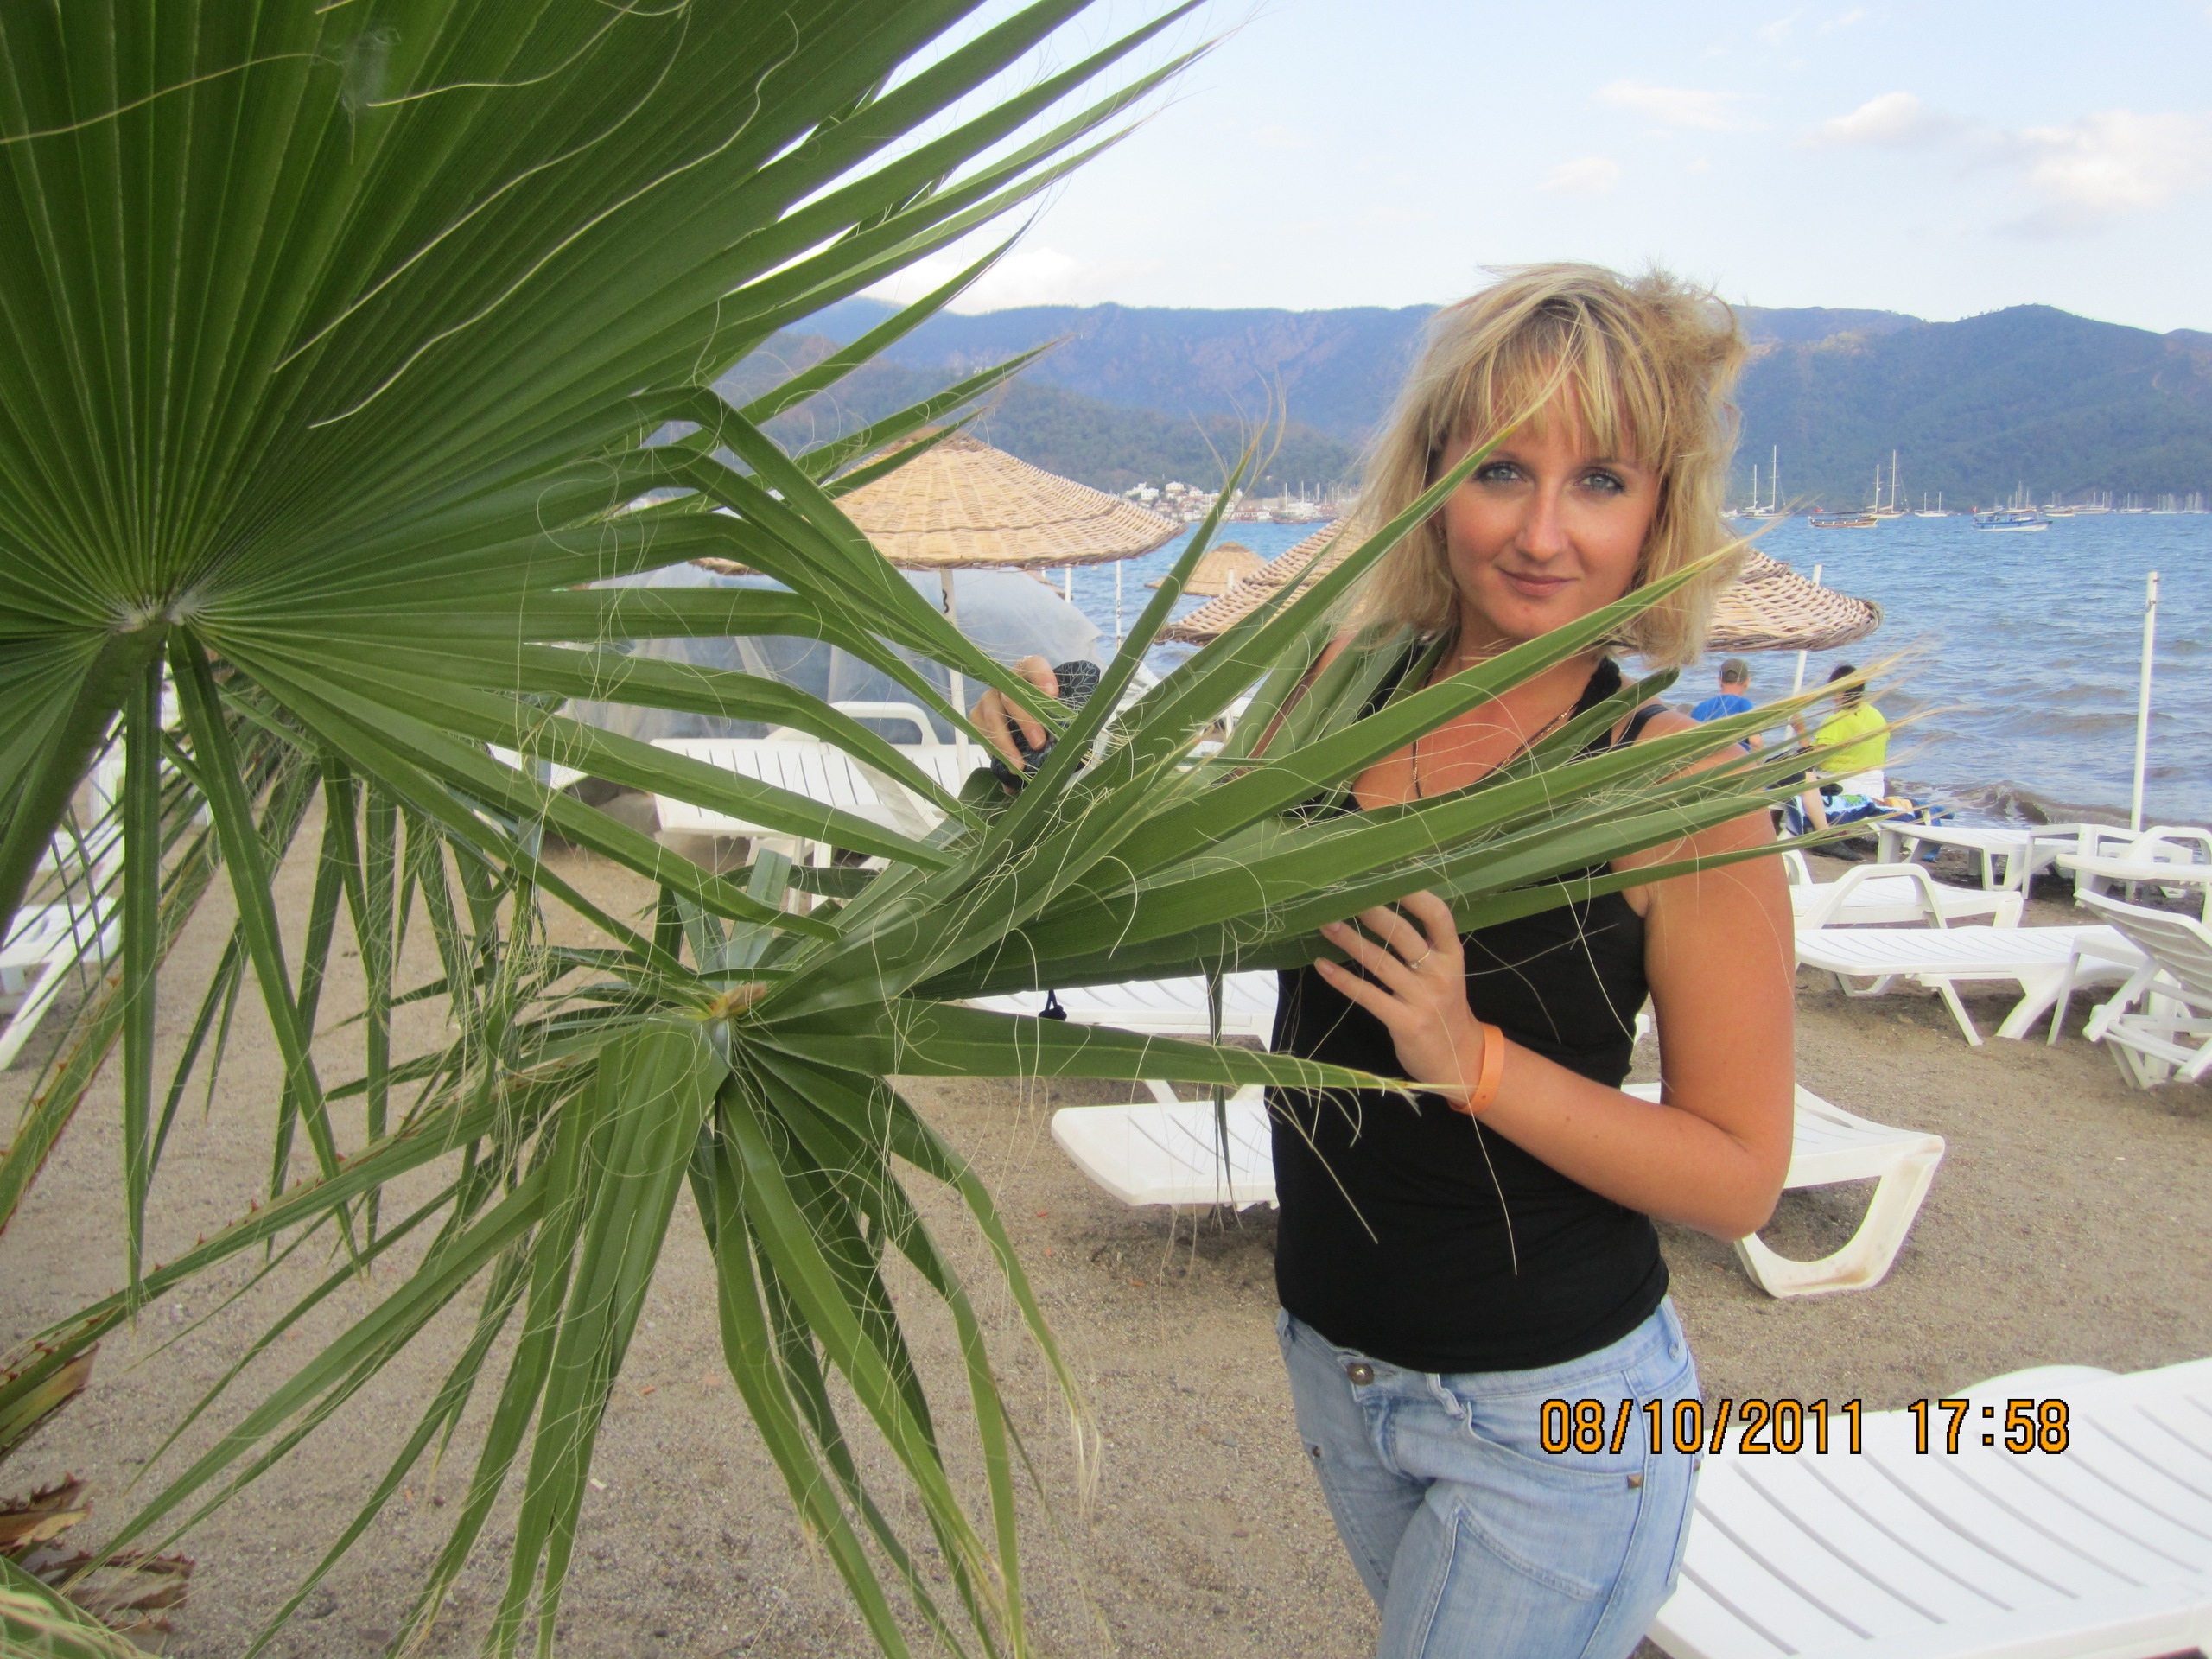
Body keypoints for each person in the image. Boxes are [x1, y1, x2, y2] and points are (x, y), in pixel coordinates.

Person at [975, 264, 1795, 1659]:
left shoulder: (1678, 786)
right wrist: (1042, 776)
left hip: (1555, 1416)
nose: (1542, 532)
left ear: (1661, 510)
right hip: (1336, 1369)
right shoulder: (1336, 688)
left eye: (1600, 480)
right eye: (1500, 469)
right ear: (1431, 479)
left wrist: (1469, 1059)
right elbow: (1171, 889)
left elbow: (1738, 1176)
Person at [1792, 663, 1889, 830]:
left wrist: (1800, 730)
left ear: (1840, 691)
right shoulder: (1876, 715)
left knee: (1796, 778)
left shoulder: (1838, 720)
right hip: (1876, 788)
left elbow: (1810, 760)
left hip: (1847, 787)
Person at [1689, 657, 1762, 750]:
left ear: (1719, 680)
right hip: (1737, 757)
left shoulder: (1702, 706)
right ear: (1747, 682)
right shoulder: (1744, 705)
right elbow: (1756, 742)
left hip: (1707, 758)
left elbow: (1691, 740)